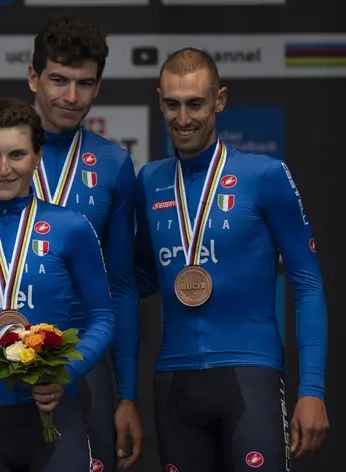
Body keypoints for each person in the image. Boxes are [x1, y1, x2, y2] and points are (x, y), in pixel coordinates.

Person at [0, 16, 142, 469]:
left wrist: (127, 394)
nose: (71, 97)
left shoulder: (113, 164)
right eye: (59, 80)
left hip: (80, 378)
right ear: (33, 76)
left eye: (84, 83)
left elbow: (121, 288)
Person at [134, 48, 329, 472]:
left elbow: (307, 282)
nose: (183, 118)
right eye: (172, 104)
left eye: (195, 104)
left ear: (219, 100)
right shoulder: (149, 181)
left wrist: (312, 388)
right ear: (159, 99)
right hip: (174, 379)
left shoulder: (265, 175)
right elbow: (140, 279)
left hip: (250, 374)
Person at [0, 98, 115, 472]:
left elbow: (104, 318)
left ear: (37, 156)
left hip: (55, 411)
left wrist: (65, 373)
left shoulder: (72, 227)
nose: (4, 168)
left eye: (17, 154)